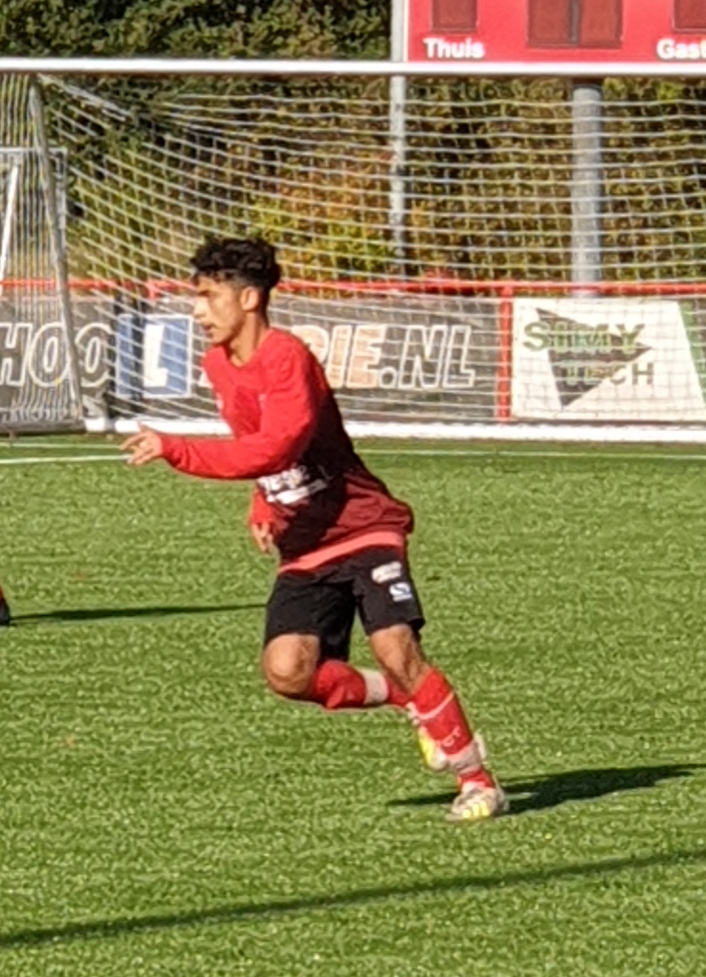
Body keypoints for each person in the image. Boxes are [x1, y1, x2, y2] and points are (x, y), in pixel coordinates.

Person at [121, 236, 507, 823]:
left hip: (361, 525)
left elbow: (280, 444)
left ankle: (477, 781)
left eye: (206, 297)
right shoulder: (218, 364)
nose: (196, 311)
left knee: (395, 647)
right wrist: (262, 502)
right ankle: (406, 698)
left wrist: (177, 449)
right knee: (287, 672)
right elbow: (258, 443)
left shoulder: (287, 357)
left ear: (248, 298)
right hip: (304, 539)